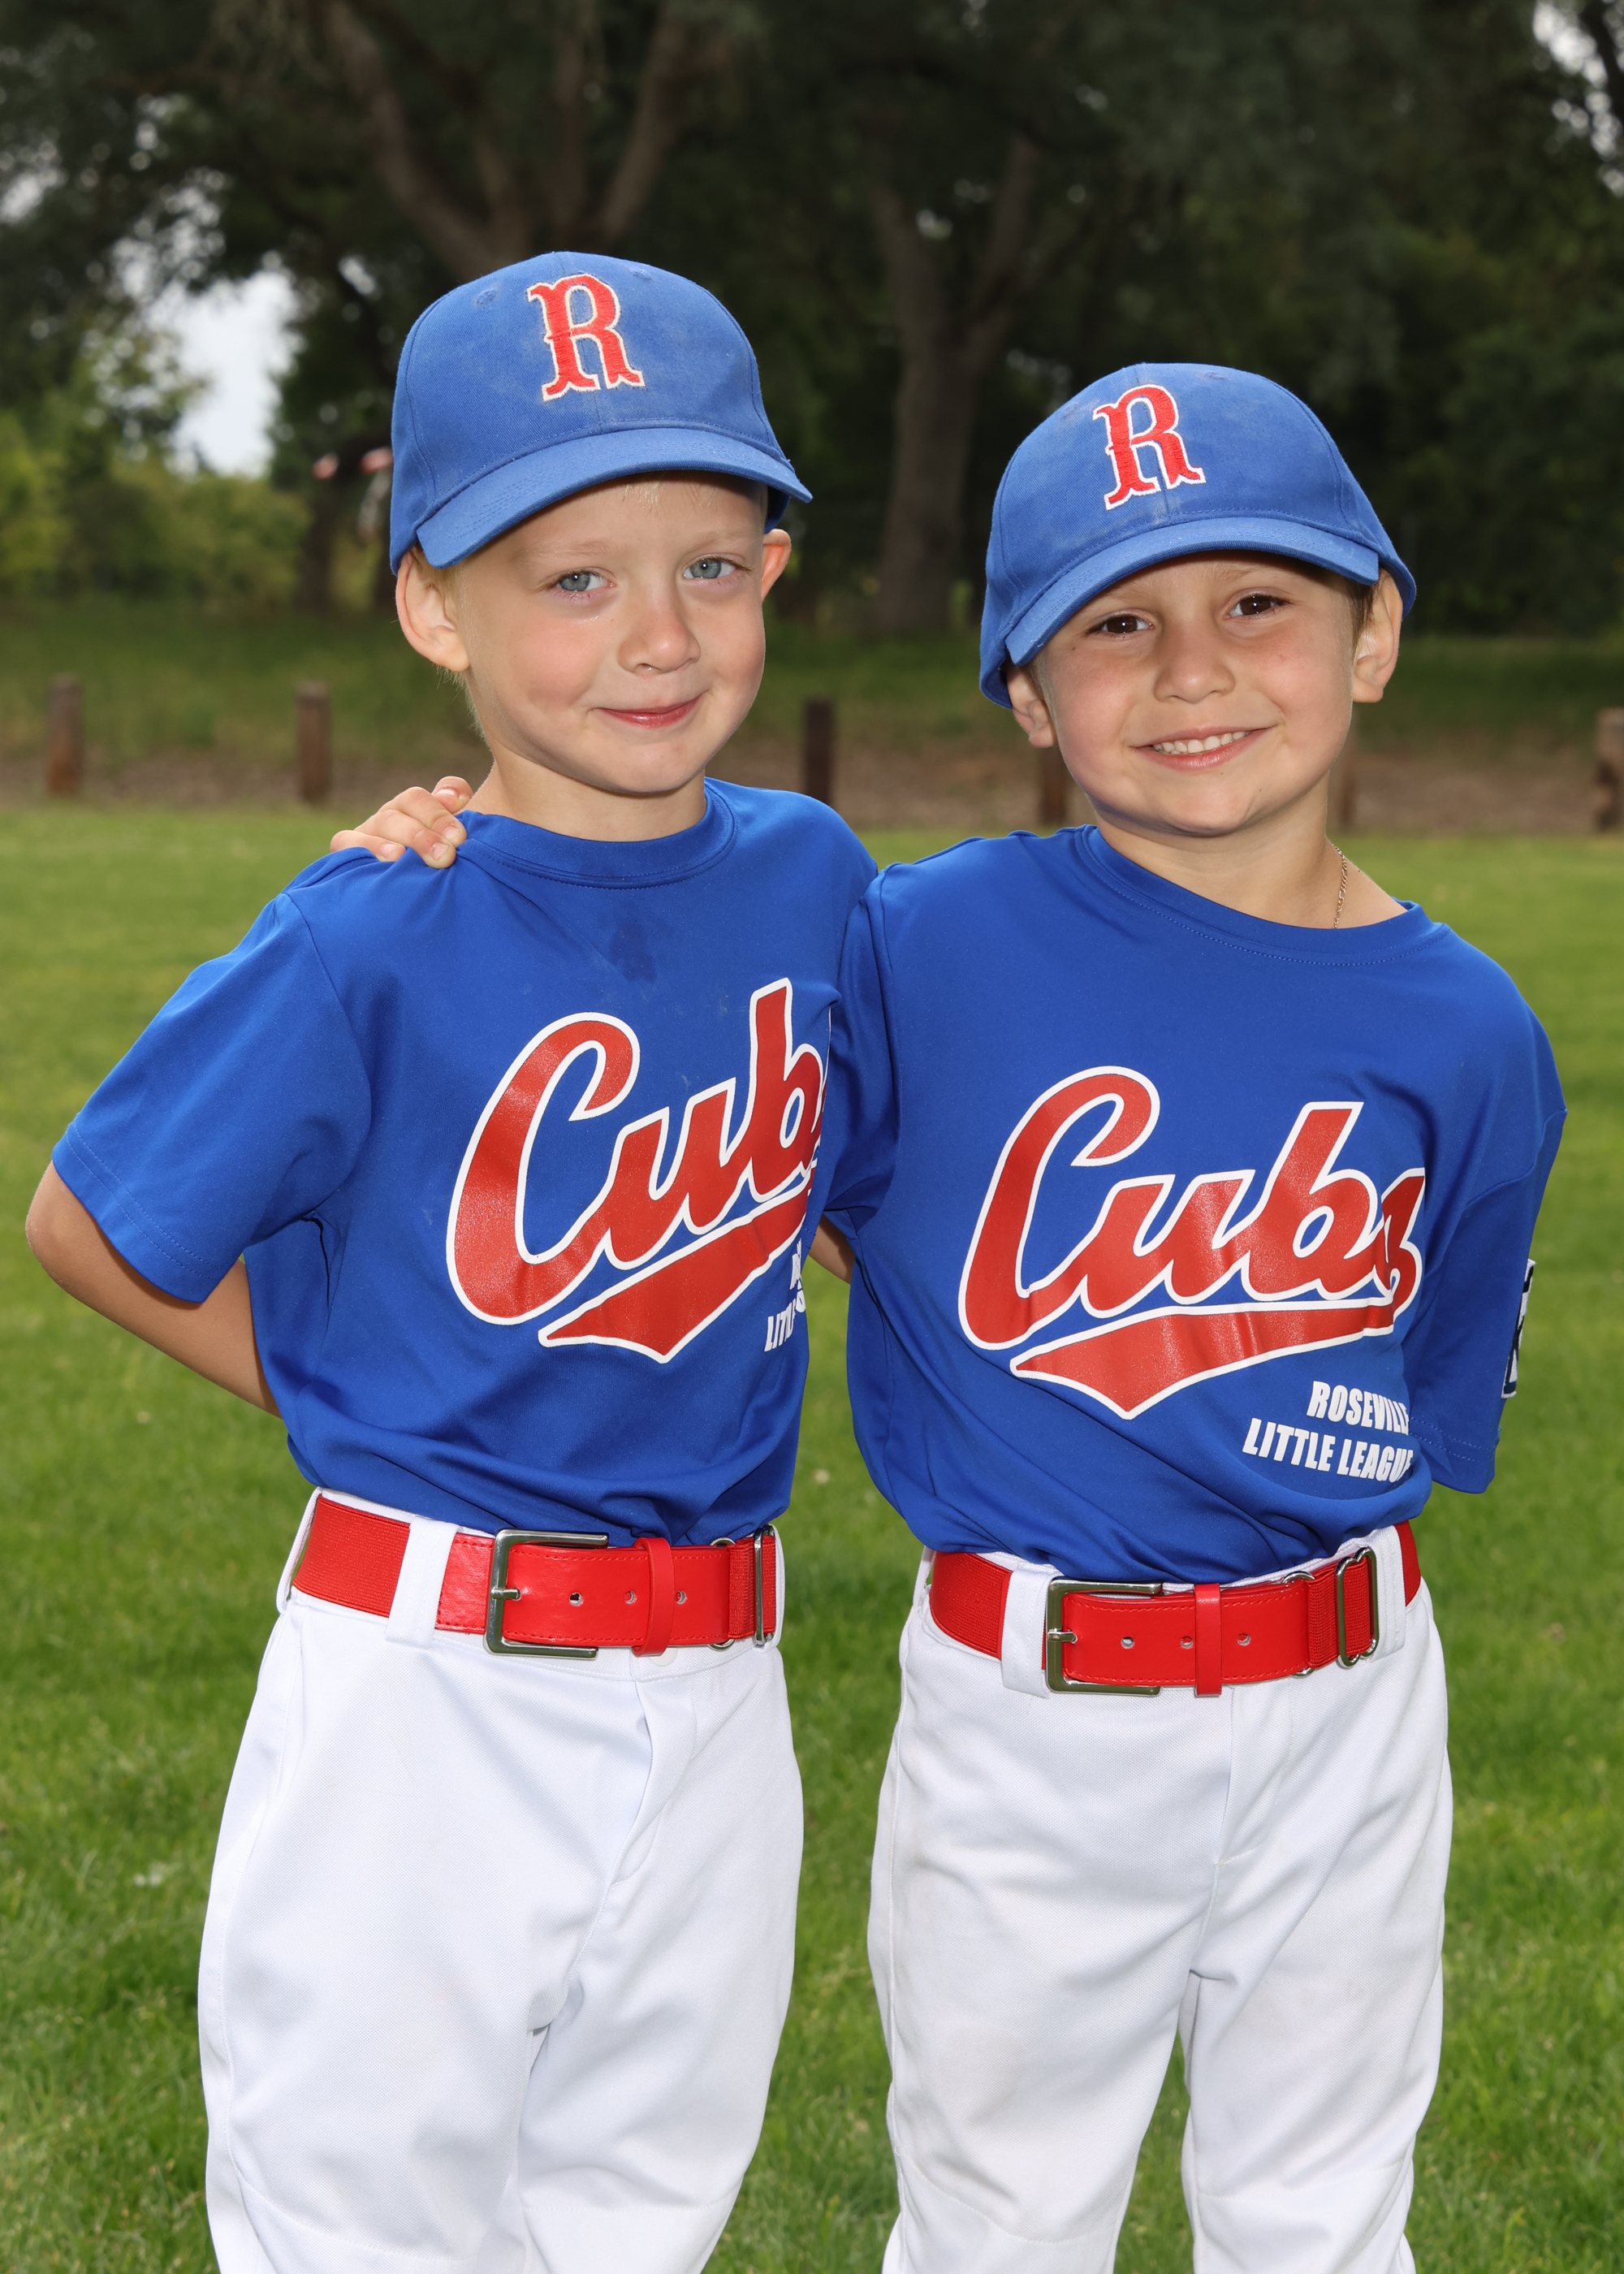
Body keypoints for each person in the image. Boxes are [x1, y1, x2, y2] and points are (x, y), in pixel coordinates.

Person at [342, 362, 1563, 2271]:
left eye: (1258, 601)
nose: (1192, 670)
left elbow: (1412, 1381)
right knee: (1004, 2218)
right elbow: (739, 1150)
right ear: (1026, 693)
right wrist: (462, 840)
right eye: (1113, 624)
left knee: (1325, 2208)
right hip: (1035, 1705)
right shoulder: (914, 942)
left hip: (1352, 1688)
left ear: (1374, 632)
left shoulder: (1472, 1028)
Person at [25, 252, 874, 2274]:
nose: (655, 635)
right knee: (363, 2223)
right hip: (430, 1678)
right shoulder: (371, 924)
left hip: (721, 1679)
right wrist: (348, 1390)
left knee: (635, 2214)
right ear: (433, 606)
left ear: (771, 571)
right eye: (572, 578)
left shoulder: (815, 875)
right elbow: (95, 1220)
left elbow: (865, 1179)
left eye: (710, 566)